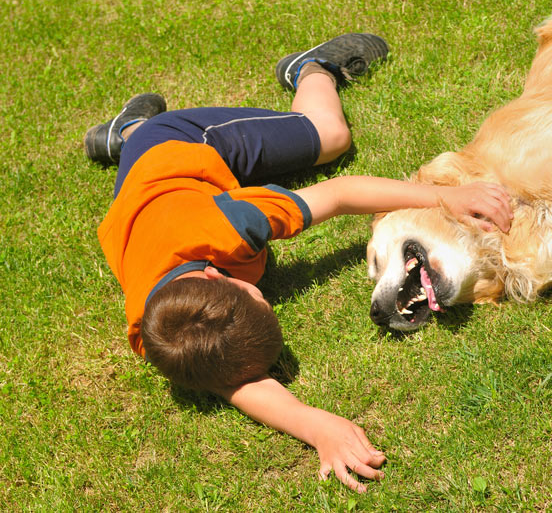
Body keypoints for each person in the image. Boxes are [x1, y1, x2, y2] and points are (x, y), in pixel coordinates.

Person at [85, 33, 513, 493]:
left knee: (330, 136)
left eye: (257, 299)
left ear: (214, 271)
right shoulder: (159, 331)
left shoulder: (230, 225)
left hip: (178, 144)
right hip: (141, 188)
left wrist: (446, 196)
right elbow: (227, 380)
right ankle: (124, 134)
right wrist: (315, 426)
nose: (268, 302)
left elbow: (341, 193)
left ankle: (309, 68)